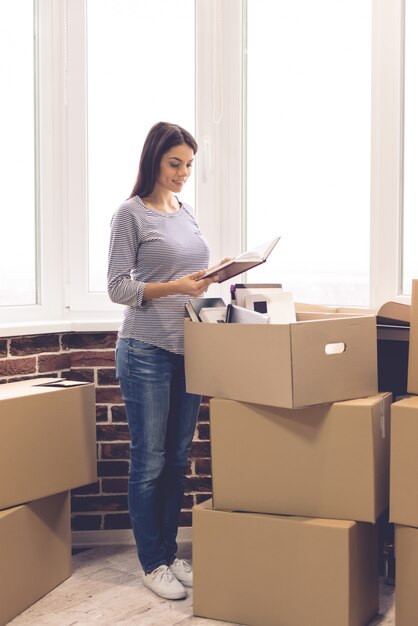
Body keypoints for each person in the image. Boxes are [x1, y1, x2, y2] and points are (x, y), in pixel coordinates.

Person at [107, 122, 218, 601]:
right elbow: (118, 288)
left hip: (188, 351)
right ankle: (152, 561)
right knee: (149, 461)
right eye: (175, 163)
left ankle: (171, 554)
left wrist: (208, 278)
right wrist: (177, 286)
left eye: (189, 165)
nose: (183, 173)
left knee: (176, 460)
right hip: (145, 352)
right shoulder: (130, 214)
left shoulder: (185, 211)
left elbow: (184, 273)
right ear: (154, 159)